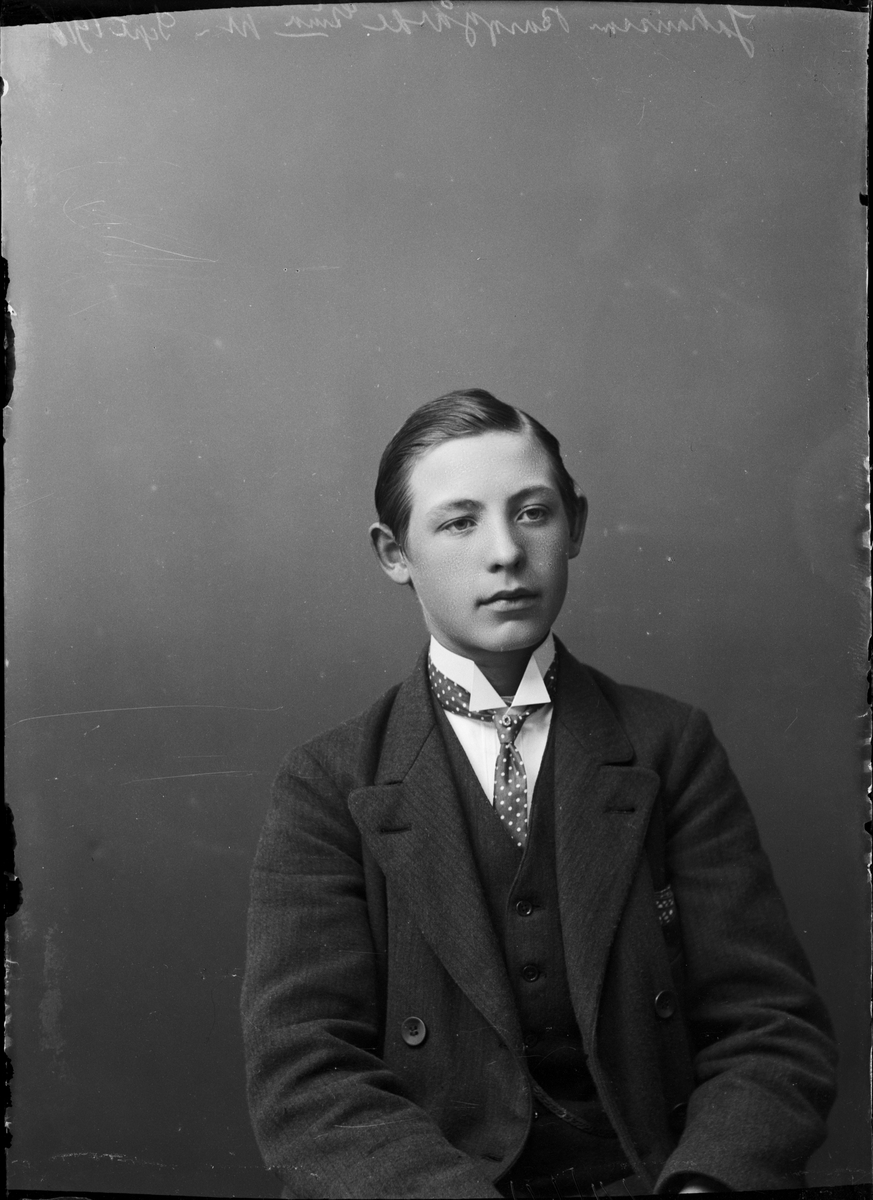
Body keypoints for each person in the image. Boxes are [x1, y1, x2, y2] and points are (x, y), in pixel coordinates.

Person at [241, 389, 837, 1199]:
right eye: (458, 523)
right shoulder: (327, 783)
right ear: (393, 552)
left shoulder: (670, 748)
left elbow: (769, 1026)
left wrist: (703, 1184)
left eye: (532, 513)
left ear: (575, 526)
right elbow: (305, 1071)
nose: (506, 554)